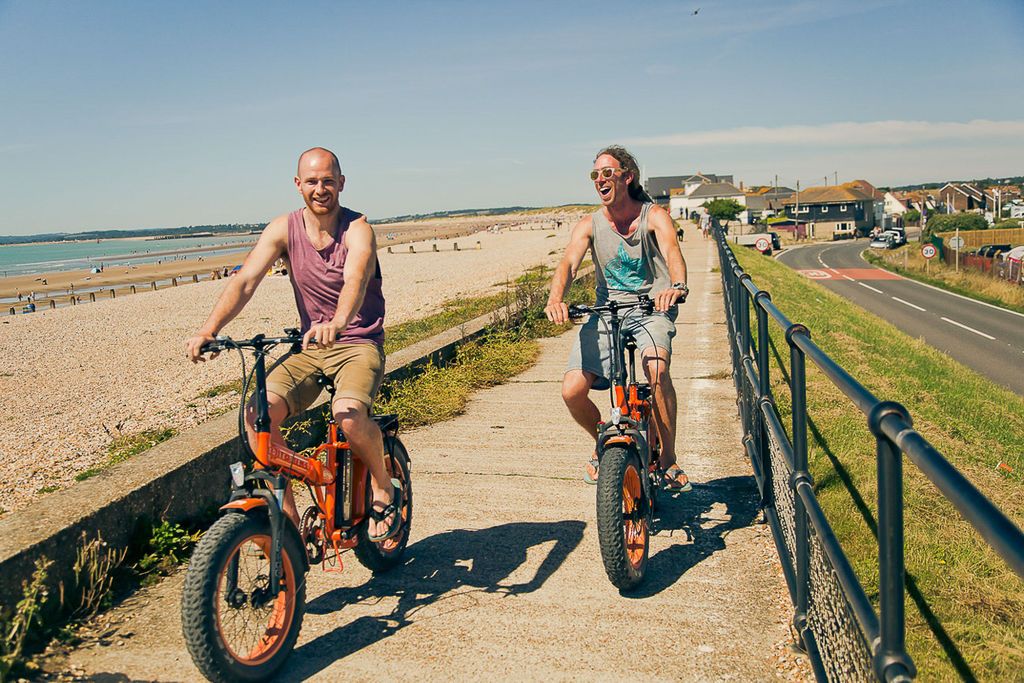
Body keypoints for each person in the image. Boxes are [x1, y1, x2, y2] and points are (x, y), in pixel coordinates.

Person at [185, 147, 401, 541]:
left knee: (348, 415)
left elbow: (355, 277)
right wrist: (209, 330)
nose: (321, 189)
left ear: (342, 183)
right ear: (298, 185)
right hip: (310, 348)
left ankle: (383, 484)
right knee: (257, 418)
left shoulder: (358, 229)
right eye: (313, 181)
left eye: (329, 181)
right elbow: (246, 281)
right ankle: (290, 526)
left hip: (357, 342)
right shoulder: (283, 229)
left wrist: (338, 321)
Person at [544, 145, 692, 491]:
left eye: (606, 173)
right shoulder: (589, 224)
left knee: (656, 370)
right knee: (572, 391)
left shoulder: (653, 216)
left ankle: (669, 461)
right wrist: (556, 299)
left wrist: (677, 286)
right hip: (606, 312)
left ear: (627, 177)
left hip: (651, 308)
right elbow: (567, 263)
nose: (599, 180)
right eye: (595, 174)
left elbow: (672, 251)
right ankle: (602, 441)